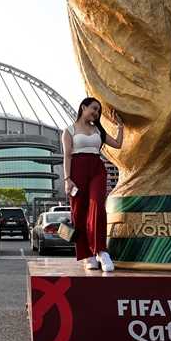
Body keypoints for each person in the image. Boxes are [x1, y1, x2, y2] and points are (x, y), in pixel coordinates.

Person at [62, 97, 123, 271]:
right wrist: (67, 179)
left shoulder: (98, 130)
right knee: (79, 211)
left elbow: (118, 144)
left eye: (98, 111)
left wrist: (119, 125)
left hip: (97, 168)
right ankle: (87, 254)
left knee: (97, 204)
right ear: (83, 107)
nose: (96, 113)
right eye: (94, 109)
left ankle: (101, 251)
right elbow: (67, 155)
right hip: (77, 169)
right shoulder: (69, 130)